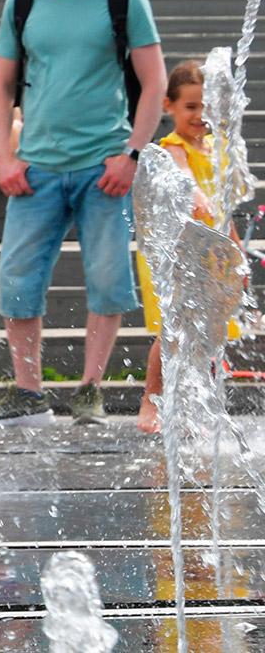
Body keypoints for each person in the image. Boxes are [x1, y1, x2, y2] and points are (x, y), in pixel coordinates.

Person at [0, 0, 166, 429]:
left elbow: (155, 84)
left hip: (104, 164)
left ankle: (89, 389)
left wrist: (132, 155)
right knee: (17, 279)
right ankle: (28, 392)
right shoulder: (23, 1)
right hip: (36, 165)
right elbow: (2, 83)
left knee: (107, 279)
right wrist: (4, 155)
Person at [135, 61, 234, 433]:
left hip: (213, 255)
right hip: (179, 255)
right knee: (174, 328)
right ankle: (151, 399)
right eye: (191, 106)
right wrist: (193, 191)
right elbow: (182, 175)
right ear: (169, 106)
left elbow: (224, 211)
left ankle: (187, 403)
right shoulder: (172, 147)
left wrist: (235, 253)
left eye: (206, 107)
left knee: (201, 333)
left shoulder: (214, 149)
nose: (199, 115)